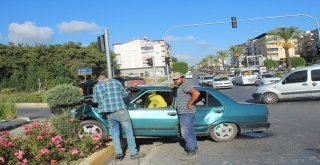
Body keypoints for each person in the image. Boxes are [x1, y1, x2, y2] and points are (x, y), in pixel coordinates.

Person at [92, 75, 145, 161]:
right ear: (106, 77)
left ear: (98, 79)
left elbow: (94, 100)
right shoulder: (115, 82)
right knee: (128, 132)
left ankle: (118, 155)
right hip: (120, 110)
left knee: (115, 134)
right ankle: (133, 153)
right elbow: (125, 94)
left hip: (109, 113)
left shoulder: (96, 86)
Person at [171, 72, 200, 161]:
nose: (175, 81)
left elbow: (196, 93)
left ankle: (191, 152)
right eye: (174, 79)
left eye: (177, 79)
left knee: (186, 132)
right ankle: (194, 149)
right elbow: (177, 87)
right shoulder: (181, 86)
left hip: (186, 113)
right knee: (190, 132)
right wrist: (173, 86)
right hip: (186, 113)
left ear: (183, 78)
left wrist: (189, 103)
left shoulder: (185, 85)